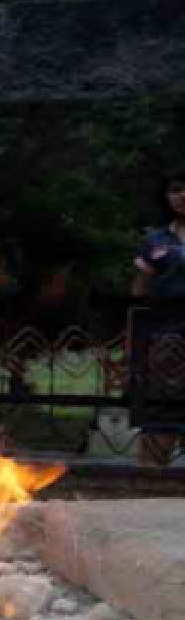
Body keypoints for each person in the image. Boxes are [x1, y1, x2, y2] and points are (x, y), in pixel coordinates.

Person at [131, 170, 185, 465]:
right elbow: (140, 287)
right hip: (166, 334)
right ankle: (150, 478)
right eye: (176, 190)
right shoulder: (155, 240)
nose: (183, 196)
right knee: (163, 401)